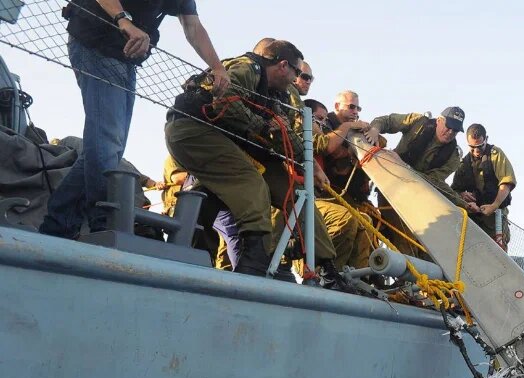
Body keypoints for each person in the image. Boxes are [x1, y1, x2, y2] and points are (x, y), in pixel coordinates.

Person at [39, 0, 228, 239]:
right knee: (107, 142)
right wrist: (123, 20)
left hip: (125, 55)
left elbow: (192, 25)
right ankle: (103, 222)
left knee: (108, 148)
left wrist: (217, 67)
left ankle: (58, 224)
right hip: (95, 40)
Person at [165, 39, 337, 277]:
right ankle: (254, 262)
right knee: (251, 182)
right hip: (194, 130)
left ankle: (326, 267)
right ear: (283, 65)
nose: (297, 80)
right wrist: (265, 126)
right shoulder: (247, 68)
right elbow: (224, 103)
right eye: (297, 73)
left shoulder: (278, 95)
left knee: (298, 193)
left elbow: (282, 134)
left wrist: (309, 166)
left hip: (239, 142)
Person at [369, 107, 464, 256]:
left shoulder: (454, 157)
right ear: (439, 120)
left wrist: (404, 166)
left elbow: (434, 181)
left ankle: (413, 275)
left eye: (456, 130)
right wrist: (374, 129)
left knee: (418, 243)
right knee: (400, 236)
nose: (451, 132)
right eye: (449, 126)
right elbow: (387, 121)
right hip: (389, 185)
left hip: (418, 198)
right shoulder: (418, 122)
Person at [313, 91, 382, 270]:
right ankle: (331, 272)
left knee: (367, 222)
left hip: (350, 195)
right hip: (326, 192)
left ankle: (361, 276)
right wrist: (351, 144)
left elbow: (380, 142)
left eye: (358, 107)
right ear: (337, 107)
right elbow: (327, 148)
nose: (355, 111)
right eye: (351, 106)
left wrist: (373, 131)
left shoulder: (354, 128)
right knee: (347, 220)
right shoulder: (326, 124)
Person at [451, 123, 517, 250]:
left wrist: (494, 205)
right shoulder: (464, 163)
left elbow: (506, 183)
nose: (476, 151)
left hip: (495, 217)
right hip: (473, 218)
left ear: (486, 139)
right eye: (472, 147)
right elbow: (453, 190)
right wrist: (463, 196)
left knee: (497, 255)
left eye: (480, 146)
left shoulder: (495, 154)